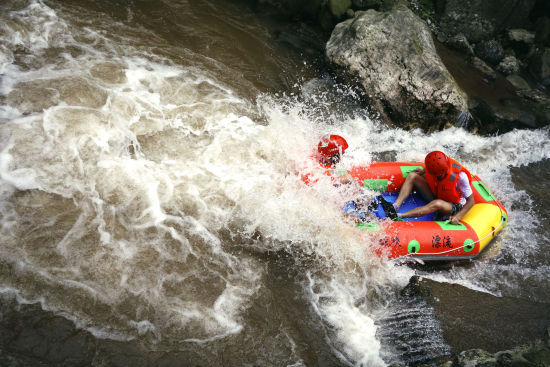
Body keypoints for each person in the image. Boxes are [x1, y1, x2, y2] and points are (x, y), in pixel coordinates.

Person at [392, 151, 475, 224]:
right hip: (437, 193)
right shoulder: (433, 165)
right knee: (412, 176)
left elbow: (471, 201)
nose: (437, 178)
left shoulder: (460, 177)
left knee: (437, 203)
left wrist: (457, 216)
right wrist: (422, 171)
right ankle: (395, 206)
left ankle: (399, 215)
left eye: (439, 176)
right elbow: (429, 168)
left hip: (453, 204)